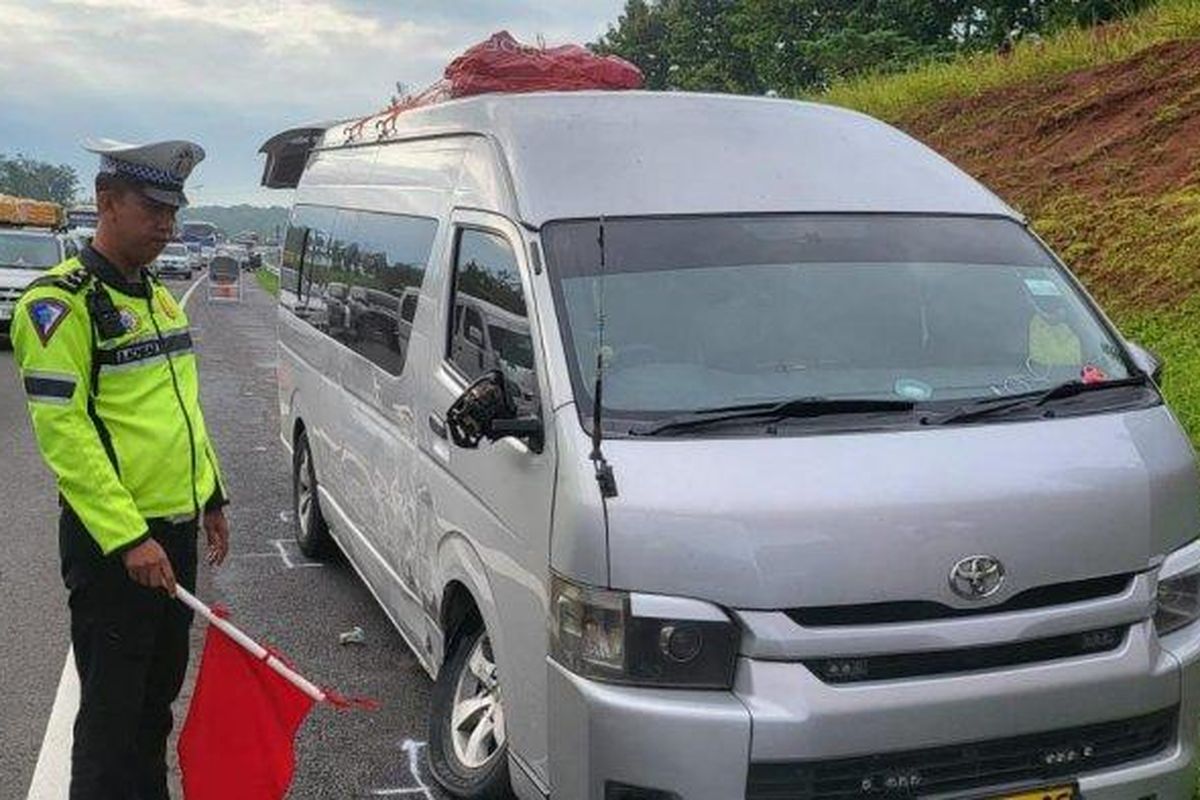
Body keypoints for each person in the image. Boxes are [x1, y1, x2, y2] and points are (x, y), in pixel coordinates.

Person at [11, 138, 231, 800]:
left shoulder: (157, 297)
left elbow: (178, 410)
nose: (165, 225)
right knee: (110, 719)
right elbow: (66, 433)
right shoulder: (58, 306)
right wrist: (129, 535)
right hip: (117, 550)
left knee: (153, 706)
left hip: (173, 533)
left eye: (172, 211)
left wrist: (211, 496)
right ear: (107, 202)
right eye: (152, 208)